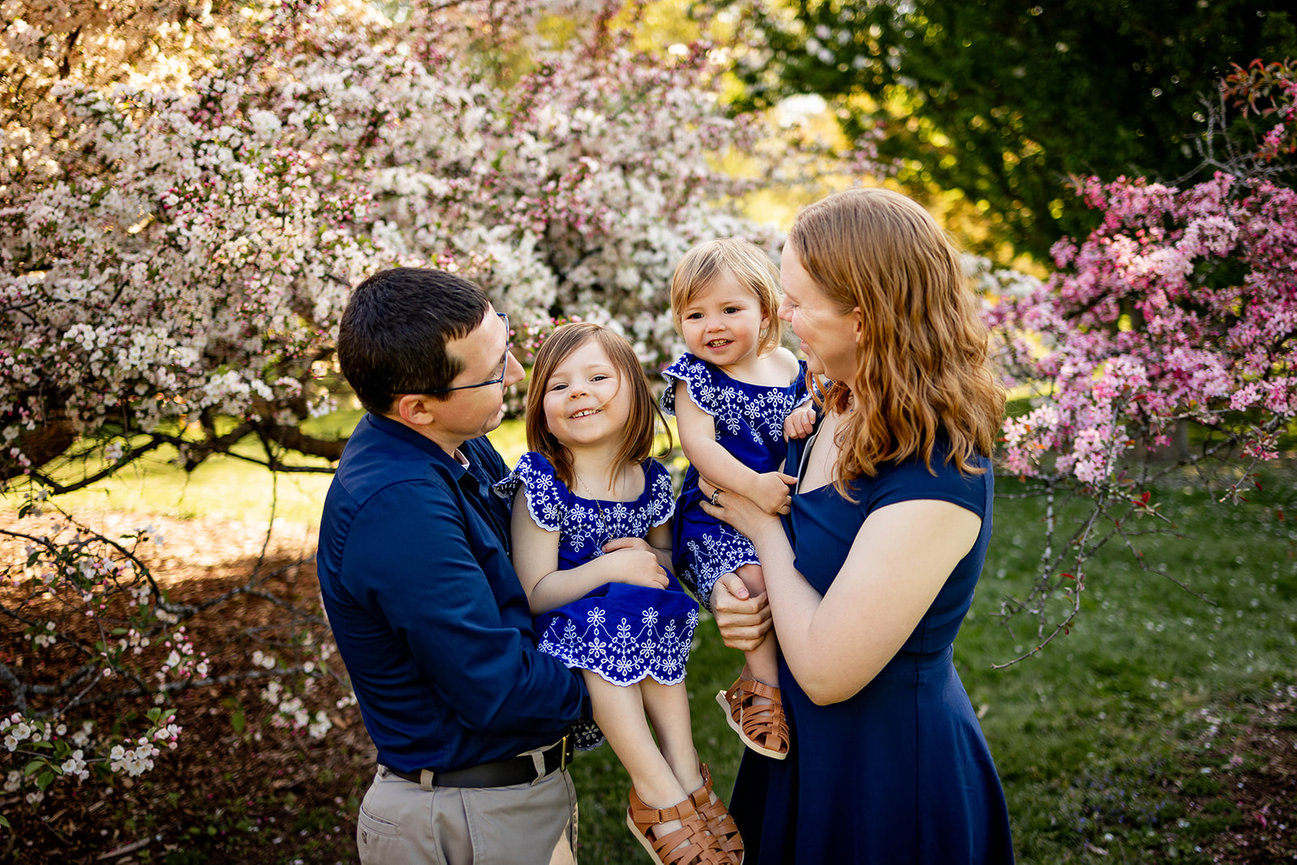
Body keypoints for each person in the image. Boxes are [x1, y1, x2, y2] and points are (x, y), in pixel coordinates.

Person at [700, 188, 1015, 863]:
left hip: (886, 778)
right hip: (800, 754)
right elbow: (808, 576)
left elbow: (824, 670)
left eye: (796, 302)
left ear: (863, 319)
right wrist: (746, 600)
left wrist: (762, 531)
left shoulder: (935, 472)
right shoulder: (828, 404)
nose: (781, 317)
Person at [316, 267, 628, 865]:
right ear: (417, 408)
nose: (517, 374)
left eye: (505, 345)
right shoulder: (399, 508)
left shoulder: (457, 443)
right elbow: (499, 689)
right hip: (466, 817)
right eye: (492, 372)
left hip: (501, 804)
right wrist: (634, 668)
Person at [498, 322, 742, 865]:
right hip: (568, 627)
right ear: (541, 408)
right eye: (558, 385)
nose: (577, 392)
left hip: (634, 621)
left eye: (597, 377)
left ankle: (686, 771)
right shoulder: (543, 479)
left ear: (633, 388)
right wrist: (611, 567)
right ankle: (656, 791)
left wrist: (647, 559)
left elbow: (661, 565)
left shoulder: (649, 480)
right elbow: (535, 593)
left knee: (649, 608)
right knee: (611, 619)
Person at [660, 238, 814, 762]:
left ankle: (765, 677)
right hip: (718, 516)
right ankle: (764, 690)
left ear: (766, 311)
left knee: (793, 582)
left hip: (779, 507)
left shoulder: (789, 365)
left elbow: (817, 407)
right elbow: (700, 449)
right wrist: (755, 486)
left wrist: (805, 412)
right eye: (696, 315)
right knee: (752, 585)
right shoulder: (696, 377)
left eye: (730, 310)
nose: (713, 326)